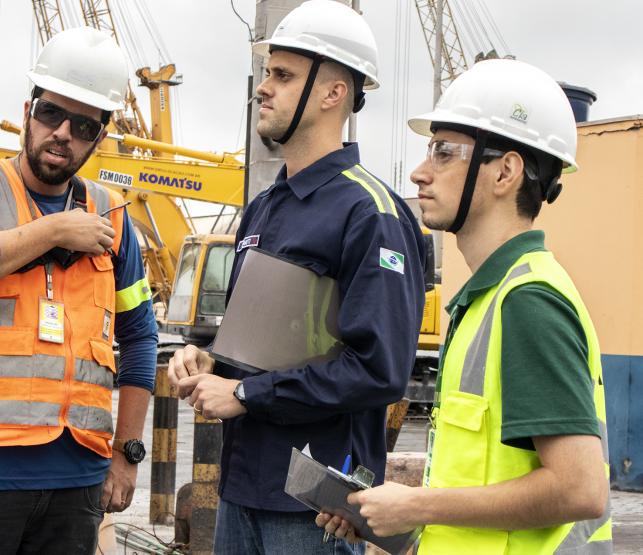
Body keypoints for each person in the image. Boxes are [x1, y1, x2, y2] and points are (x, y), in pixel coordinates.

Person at [317, 59, 611, 553]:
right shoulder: (487, 299)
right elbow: (481, 482)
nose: (419, 171)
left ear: (506, 172)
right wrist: (392, 516)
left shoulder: (528, 302)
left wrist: (418, 506)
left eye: (444, 152)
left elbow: (579, 489)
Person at [168, 1, 426, 553]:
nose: (264, 88)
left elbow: (378, 370)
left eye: (282, 75)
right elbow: (260, 349)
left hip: (315, 508)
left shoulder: (370, 213)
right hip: (242, 492)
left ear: (334, 93)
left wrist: (245, 393)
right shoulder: (262, 208)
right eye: (267, 73)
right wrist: (208, 361)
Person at [0, 27, 158, 554]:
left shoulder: (112, 216)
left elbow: (140, 339)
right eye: (51, 113)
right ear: (29, 110)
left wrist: (127, 454)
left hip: (76, 485)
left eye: (84, 124)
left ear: (100, 136)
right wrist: (53, 231)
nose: (62, 132)